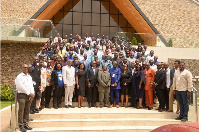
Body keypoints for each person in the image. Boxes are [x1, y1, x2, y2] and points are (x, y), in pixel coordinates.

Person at [15, 64, 35, 131]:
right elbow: (21, 87)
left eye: (27, 67)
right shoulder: (19, 77)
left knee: (27, 110)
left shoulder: (29, 77)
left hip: (29, 95)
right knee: (21, 110)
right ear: (21, 68)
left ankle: (25, 123)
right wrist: (29, 93)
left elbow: (31, 86)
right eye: (24, 67)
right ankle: (21, 125)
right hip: (22, 95)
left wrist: (32, 94)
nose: (26, 68)